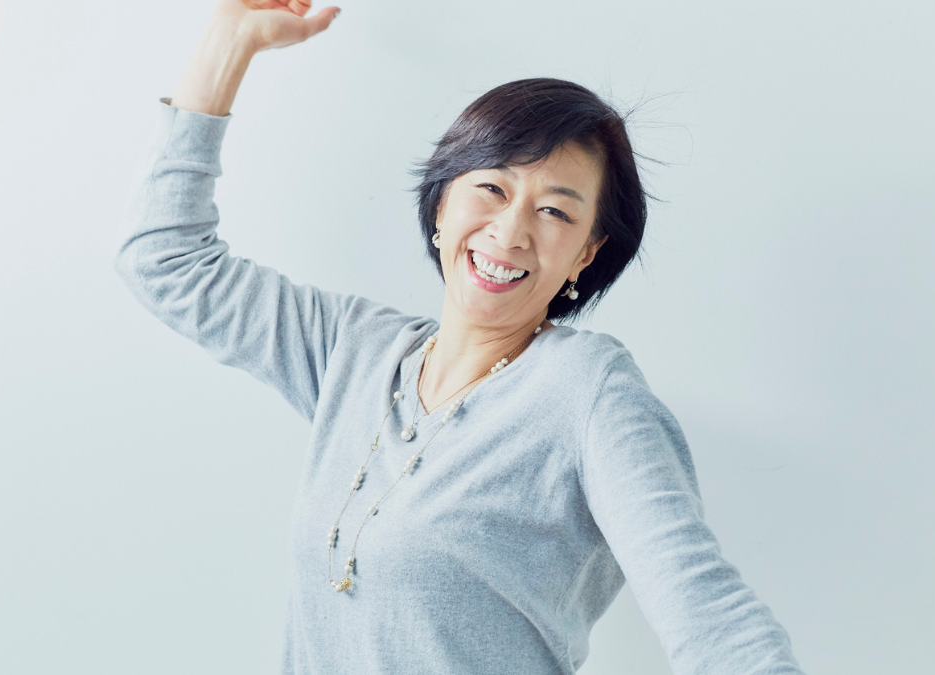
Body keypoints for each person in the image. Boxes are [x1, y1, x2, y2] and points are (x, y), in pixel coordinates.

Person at [112, 1, 805, 673]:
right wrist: (227, 43)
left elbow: (707, 614)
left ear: (585, 255)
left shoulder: (588, 394)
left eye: (555, 211)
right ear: (442, 202)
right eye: (492, 189)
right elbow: (164, 260)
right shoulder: (351, 351)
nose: (511, 230)